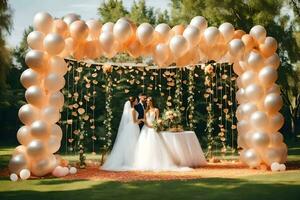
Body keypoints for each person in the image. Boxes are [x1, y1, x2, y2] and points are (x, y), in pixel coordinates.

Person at [133, 97, 189, 171]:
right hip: (146, 129)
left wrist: (155, 125)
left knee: (154, 145)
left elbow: (157, 119)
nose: (147, 102)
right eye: (147, 101)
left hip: (153, 128)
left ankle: (156, 162)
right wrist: (148, 125)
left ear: (152, 102)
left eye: (149, 101)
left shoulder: (156, 110)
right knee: (145, 145)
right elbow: (144, 119)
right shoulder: (145, 110)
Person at [101, 97, 142, 171]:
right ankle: (131, 162)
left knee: (131, 144)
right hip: (133, 128)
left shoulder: (130, 110)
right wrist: (141, 120)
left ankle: (130, 161)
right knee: (132, 144)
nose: (137, 101)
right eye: (136, 100)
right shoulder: (132, 110)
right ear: (132, 102)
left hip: (131, 127)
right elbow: (134, 121)